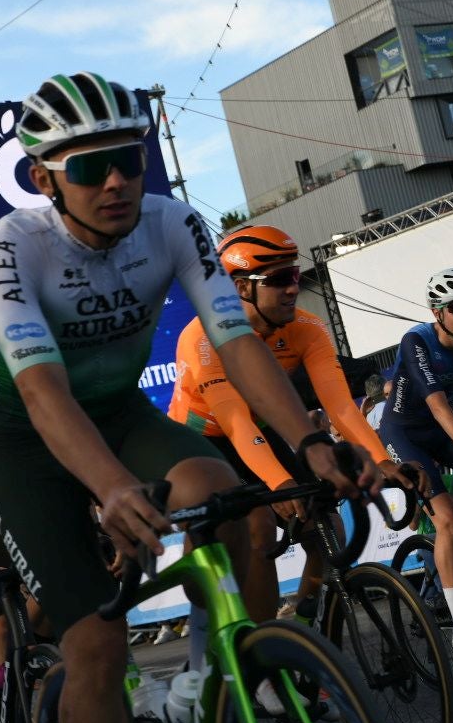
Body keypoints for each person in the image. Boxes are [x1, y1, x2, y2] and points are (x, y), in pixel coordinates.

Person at [0, 71, 375, 723]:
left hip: (120, 413)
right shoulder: (10, 248)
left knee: (232, 500)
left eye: (133, 159)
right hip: (21, 437)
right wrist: (111, 488)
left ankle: (206, 680)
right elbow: (42, 396)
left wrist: (310, 442)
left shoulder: (174, 222)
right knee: (94, 645)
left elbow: (239, 343)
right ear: (46, 179)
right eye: (93, 169)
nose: (119, 180)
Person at [168, 225, 413, 669]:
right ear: (241, 287)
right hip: (202, 440)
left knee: (326, 522)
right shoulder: (203, 335)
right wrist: (278, 482)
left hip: (260, 432)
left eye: (295, 275)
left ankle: (303, 615)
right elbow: (236, 421)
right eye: (279, 281)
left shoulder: (306, 328)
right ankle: (260, 658)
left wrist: (381, 458)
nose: (293, 289)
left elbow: (339, 404)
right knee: (261, 523)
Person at [378, 269, 453, 657]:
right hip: (405, 434)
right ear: (437, 313)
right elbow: (437, 404)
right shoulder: (417, 340)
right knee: (446, 519)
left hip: (440, 429)